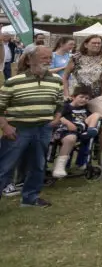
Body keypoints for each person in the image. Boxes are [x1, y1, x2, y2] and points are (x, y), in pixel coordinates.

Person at [0, 46, 62, 208]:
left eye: (50, 58)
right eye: (44, 58)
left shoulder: (56, 80)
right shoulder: (14, 82)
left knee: (38, 166)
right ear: (29, 60)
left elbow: (60, 103)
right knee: (5, 167)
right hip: (18, 130)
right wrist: (5, 126)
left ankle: (30, 198)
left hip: (43, 129)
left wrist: (57, 118)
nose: (48, 61)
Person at [51, 85, 100, 178]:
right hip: (66, 130)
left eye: (87, 98)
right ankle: (59, 167)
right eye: (81, 97)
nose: (84, 100)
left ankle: (90, 130)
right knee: (71, 138)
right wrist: (67, 122)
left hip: (81, 130)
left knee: (96, 114)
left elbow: (96, 116)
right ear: (73, 97)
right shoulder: (66, 107)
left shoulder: (86, 109)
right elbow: (58, 117)